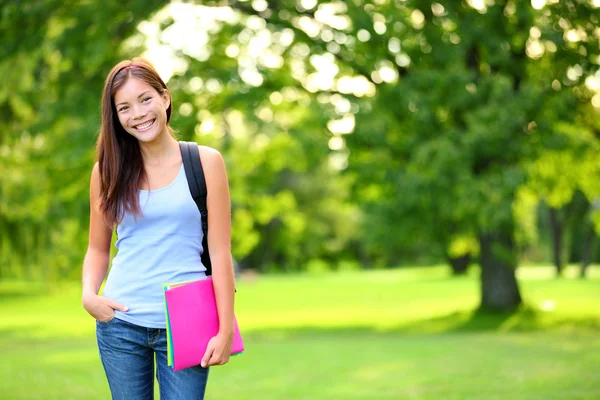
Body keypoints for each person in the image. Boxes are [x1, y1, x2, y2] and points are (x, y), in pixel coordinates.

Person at [81, 57, 236, 400]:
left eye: (145, 99)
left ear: (165, 98)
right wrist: (89, 294)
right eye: (124, 107)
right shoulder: (106, 172)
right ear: (116, 117)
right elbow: (97, 248)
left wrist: (226, 328)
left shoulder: (206, 162)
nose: (137, 114)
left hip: (188, 321)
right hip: (121, 322)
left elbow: (220, 251)